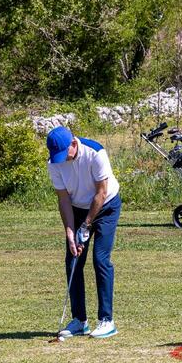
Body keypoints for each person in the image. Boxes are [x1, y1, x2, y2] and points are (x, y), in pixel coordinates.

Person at [46, 126, 121, 338]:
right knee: (73, 262)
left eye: (64, 154)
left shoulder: (95, 152)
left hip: (106, 206)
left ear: (73, 143)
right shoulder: (54, 163)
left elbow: (101, 192)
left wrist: (86, 225)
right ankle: (80, 321)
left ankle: (107, 320)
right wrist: (70, 231)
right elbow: (63, 199)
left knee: (101, 260)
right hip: (77, 209)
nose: (61, 160)